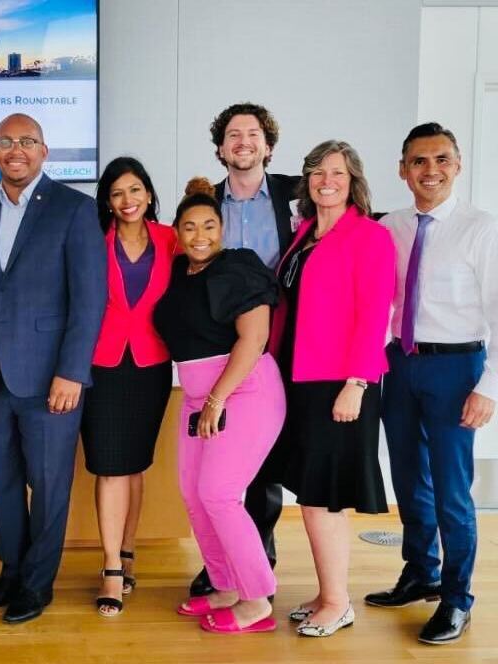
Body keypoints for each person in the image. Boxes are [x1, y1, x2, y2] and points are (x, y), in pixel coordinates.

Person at [365, 123, 498, 645]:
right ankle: (420, 573)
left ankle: (457, 598)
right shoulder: (391, 226)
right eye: (418, 161)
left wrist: (491, 385)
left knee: (452, 490)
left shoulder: (484, 230)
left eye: (440, 160)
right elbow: (379, 299)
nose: (430, 170)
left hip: (457, 369)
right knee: (409, 480)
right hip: (401, 363)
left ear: (457, 165)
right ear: (402, 169)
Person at [0, 113, 107, 624]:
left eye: (26, 141)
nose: (15, 150)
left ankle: (38, 584)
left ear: (44, 151)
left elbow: (89, 300)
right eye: (5, 142)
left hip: (49, 381)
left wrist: (72, 372)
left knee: (49, 484)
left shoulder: (74, 209)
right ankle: (11, 571)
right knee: (1, 480)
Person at [269, 140, 395, 637]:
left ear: (353, 180)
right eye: (318, 171)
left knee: (325, 498)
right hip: (300, 380)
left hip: (340, 384)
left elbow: (373, 314)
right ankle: (327, 593)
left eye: (337, 172)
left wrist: (357, 384)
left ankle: (338, 602)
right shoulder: (305, 234)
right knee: (314, 495)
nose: (327, 179)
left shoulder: (369, 236)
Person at [153, 178, 283, 634]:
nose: (200, 234)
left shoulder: (239, 267)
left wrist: (216, 399)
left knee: (220, 494)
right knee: (193, 494)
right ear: (177, 231)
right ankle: (225, 585)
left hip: (243, 393)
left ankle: (256, 598)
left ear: (223, 229)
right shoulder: (177, 272)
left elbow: (254, 338)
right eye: (189, 226)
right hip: (196, 398)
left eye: (210, 224)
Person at [187, 102, 301, 599]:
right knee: (218, 468)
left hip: (283, 336)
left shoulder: (297, 196)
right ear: (220, 148)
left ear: (267, 146)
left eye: (252, 134)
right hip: (221, 344)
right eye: (233, 135)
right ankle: (226, 567)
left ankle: (261, 553)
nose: (243, 142)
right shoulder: (205, 201)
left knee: (264, 460)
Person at [82, 157, 176, 617]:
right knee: (109, 466)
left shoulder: (171, 239)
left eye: (135, 190)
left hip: (153, 362)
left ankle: (129, 548)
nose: (127, 200)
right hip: (101, 363)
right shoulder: (92, 242)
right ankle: (111, 567)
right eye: (118, 193)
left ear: (149, 193)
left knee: (135, 464)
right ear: (107, 200)